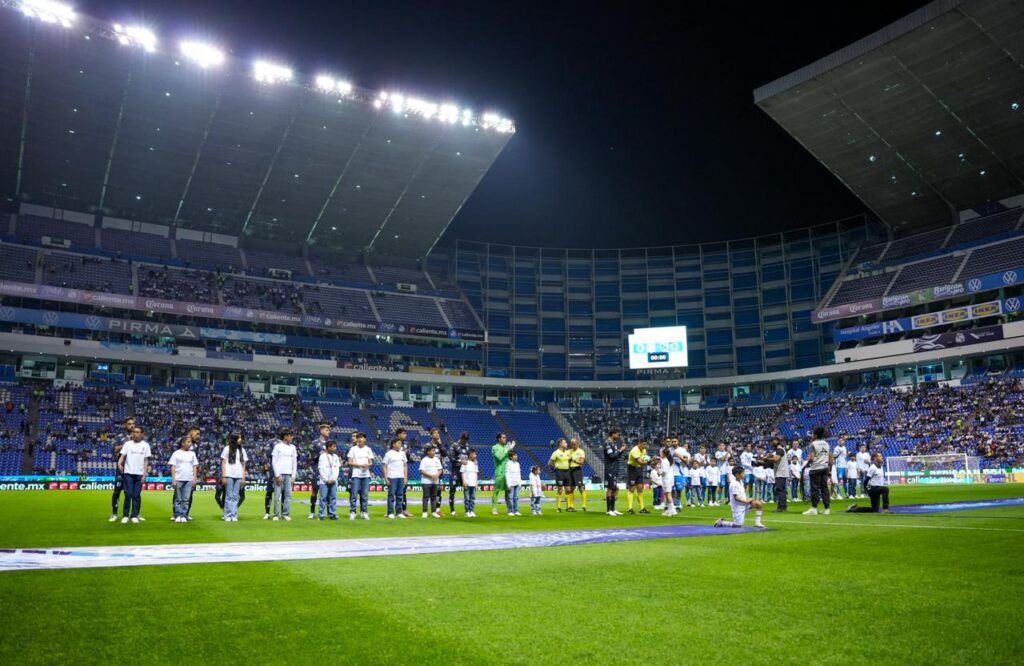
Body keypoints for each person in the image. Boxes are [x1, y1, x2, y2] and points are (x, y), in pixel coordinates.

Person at [117, 425, 151, 524]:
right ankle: (125, 515)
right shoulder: (127, 444)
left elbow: (146, 460)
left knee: (136, 495)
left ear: (141, 434)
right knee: (128, 495)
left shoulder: (145, 445)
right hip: (128, 473)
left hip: (139, 474)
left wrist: (144, 474)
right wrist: (119, 463)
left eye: (138, 432)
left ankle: (134, 515)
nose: (135, 434)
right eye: (134, 432)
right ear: (132, 433)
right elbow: (122, 456)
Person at [714, 465, 765, 529]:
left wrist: (748, 500)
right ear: (737, 475)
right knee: (738, 525)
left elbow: (741, 494)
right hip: (738, 507)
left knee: (758, 504)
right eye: (743, 473)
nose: (744, 474)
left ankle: (758, 523)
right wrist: (746, 500)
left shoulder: (740, 482)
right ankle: (721, 522)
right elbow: (736, 498)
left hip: (745, 504)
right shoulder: (734, 484)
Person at [109, 416, 135, 521]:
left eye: (133, 424)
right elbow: (115, 449)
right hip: (122, 467)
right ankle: (114, 514)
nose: (132, 426)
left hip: (134, 468)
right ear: (125, 425)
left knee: (133, 493)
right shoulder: (119, 437)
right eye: (129, 424)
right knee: (117, 491)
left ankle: (135, 514)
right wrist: (126, 444)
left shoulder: (138, 436)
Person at [168, 435, 199, 523]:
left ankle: (184, 515)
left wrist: (195, 478)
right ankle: (177, 515)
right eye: (188, 442)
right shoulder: (176, 453)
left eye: (191, 442)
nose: (190, 444)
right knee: (178, 499)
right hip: (178, 478)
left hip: (189, 479)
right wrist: (173, 479)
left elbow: (194, 466)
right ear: (183, 443)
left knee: (186, 499)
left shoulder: (192, 454)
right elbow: (173, 466)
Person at [803, 427, 833, 516]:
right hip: (825, 468)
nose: (812, 435)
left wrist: (807, 464)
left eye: (812, 433)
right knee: (825, 489)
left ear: (815, 435)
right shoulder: (827, 444)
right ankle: (826, 509)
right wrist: (830, 469)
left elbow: (811, 458)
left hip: (816, 468)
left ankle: (814, 508)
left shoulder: (813, 444)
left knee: (815, 489)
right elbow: (830, 459)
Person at [271, 428, 298, 521]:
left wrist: (293, 476)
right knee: (277, 495)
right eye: (290, 435)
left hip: (289, 474)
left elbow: (295, 463)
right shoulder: (277, 446)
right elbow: (274, 461)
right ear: (285, 436)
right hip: (280, 474)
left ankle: (285, 514)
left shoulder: (293, 447)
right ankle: (275, 514)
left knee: (288, 495)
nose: (292, 437)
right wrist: (277, 475)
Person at [220, 432, 247, 522]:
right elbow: (223, 463)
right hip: (229, 474)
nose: (240, 439)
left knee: (235, 496)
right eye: (239, 438)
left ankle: (234, 514)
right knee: (229, 496)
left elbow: (243, 464)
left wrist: (243, 477)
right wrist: (224, 476)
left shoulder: (242, 450)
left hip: (238, 475)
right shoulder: (226, 449)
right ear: (234, 438)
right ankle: (227, 515)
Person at [308, 422, 332, 519]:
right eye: (327, 430)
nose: (328, 432)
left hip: (328, 470)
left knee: (328, 492)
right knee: (314, 490)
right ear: (321, 431)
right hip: (317, 470)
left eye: (329, 430)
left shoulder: (330, 443)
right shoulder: (314, 443)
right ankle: (312, 512)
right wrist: (320, 454)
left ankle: (329, 512)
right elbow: (310, 456)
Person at [347, 432, 373, 520]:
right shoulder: (353, 449)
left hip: (366, 475)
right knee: (354, 495)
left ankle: (364, 512)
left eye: (362, 437)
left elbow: (370, 462)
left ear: (365, 439)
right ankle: (352, 512)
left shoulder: (368, 449)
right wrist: (360, 465)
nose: (360, 439)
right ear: (357, 439)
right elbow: (349, 462)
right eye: (359, 437)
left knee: (364, 495)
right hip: (356, 474)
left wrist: (368, 465)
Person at [491, 433, 516, 515]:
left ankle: (510, 509)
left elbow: (511, 458)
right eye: (503, 437)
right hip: (500, 471)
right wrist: (508, 449)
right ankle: (494, 508)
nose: (505, 439)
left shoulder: (506, 447)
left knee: (508, 491)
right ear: (499, 439)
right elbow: (499, 457)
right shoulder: (495, 447)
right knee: (496, 491)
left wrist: (511, 449)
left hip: (508, 472)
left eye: (506, 437)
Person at [383, 438, 408, 519]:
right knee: (391, 495)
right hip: (392, 477)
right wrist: (386, 478)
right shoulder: (388, 454)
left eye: (400, 443)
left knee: (400, 495)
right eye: (399, 443)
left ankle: (398, 512)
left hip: (401, 477)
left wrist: (405, 477)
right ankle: (390, 512)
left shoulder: (403, 453)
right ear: (394, 444)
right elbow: (385, 466)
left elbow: (405, 466)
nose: (400, 445)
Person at [447, 432, 471, 516]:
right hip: (456, 471)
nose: (465, 441)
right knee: (452, 490)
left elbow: (470, 458)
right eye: (464, 439)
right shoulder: (454, 445)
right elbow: (451, 457)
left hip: (464, 471)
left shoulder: (468, 447)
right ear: (461, 438)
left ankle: (467, 511)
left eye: (466, 439)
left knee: (466, 490)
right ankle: (452, 510)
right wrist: (461, 461)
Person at [603, 428, 626, 516]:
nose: (618, 436)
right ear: (612, 434)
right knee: (610, 488)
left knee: (614, 488)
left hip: (614, 468)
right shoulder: (607, 443)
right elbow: (612, 456)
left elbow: (617, 456)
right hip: (610, 468)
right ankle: (608, 510)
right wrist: (620, 450)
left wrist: (622, 450)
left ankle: (613, 509)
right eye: (617, 434)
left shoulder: (614, 443)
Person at [317, 441, 341, 520]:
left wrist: (334, 479)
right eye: (333, 446)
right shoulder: (322, 456)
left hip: (333, 481)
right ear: (328, 447)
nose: (335, 448)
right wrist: (326, 480)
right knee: (323, 498)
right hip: (324, 482)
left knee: (333, 498)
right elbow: (321, 469)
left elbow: (337, 469)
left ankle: (332, 514)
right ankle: (321, 515)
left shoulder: (336, 457)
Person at [626, 438, 650, 515]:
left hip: (639, 469)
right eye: (644, 444)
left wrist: (648, 461)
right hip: (632, 469)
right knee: (632, 488)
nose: (645, 446)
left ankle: (642, 508)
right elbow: (640, 462)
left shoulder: (644, 450)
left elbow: (643, 461)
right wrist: (650, 461)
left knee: (640, 488)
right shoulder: (634, 451)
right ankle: (630, 508)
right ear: (639, 443)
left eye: (646, 444)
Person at [548, 438, 572, 512]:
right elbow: (550, 462)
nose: (566, 444)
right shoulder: (556, 453)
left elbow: (570, 459)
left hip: (567, 472)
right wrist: (554, 469)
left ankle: (568, 507)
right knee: (560, 489)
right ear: (560, 444)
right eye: (565, 443)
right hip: (560, 472)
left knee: (568, 490)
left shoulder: (568, 452)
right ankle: (558, 507)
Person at [420, 445, 444, 518]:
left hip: (435, 481)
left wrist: (437, 475)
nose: (434, 452)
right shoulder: (424, 460)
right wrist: (431, 476)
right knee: (426, 497)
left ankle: (433, 512)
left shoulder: (437, 459)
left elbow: (440, 469)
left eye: (435, 451)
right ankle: (424, 512)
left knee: (434, 497)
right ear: (428, 452)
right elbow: (421, 470)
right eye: (433, 451)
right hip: (426, 481)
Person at [770, 438, 789, 512]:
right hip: (781, 472)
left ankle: (781, 507)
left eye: (773, 441)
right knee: (782, 491)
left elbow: (776, 459)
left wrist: (767, 458)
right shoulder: (780, 450)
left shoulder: (780, 450)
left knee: (780, 490)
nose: (772, 443)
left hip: (780, 473)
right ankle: (783, 507)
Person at [461, 449, 479, 518]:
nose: (475, 455)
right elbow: (462, 472)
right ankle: (467, 511)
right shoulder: (465, 463)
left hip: (473, 483)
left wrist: (476, 483)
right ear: (470, 455)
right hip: (467, 483)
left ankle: (471, 511)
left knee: (473, 498)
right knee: (467, 498)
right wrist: (464, 482)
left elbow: (476, 473)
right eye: (474, 454)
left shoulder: (475, 463)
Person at [505, 450, 522, 516]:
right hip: (511, 484)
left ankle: (516, 511)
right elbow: (507, 474)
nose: (516, 456)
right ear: (511, 457)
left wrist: (520, 483)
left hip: (517, 483)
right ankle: (510, 511)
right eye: (515, 455)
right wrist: (508, 484)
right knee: (510, 498)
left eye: (516, 455)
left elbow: (519, 474)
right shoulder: (508, 464)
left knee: (516, 498)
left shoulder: (518, 464)